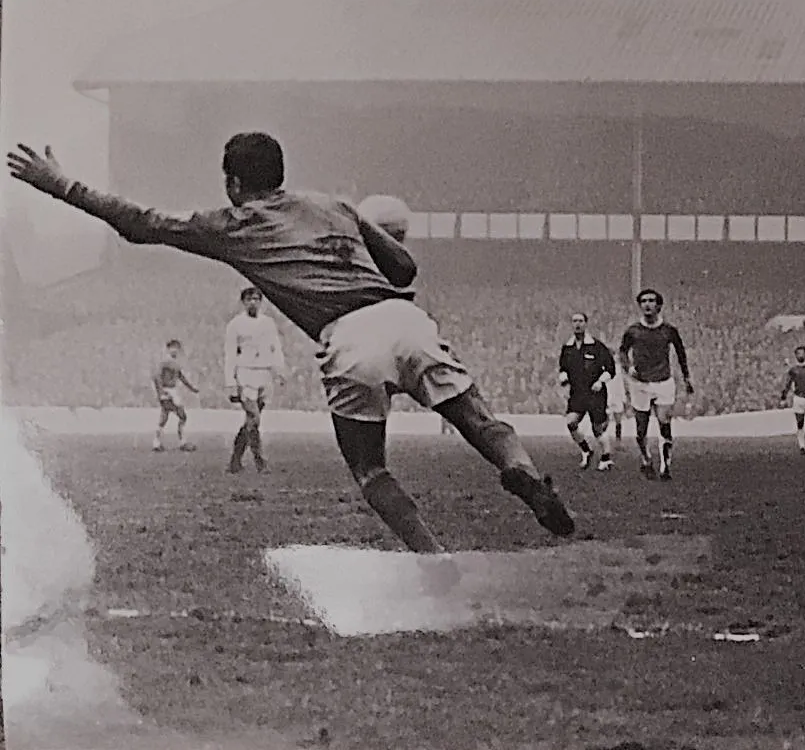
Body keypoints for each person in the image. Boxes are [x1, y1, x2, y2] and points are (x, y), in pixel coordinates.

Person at [7, 137, 576, 560]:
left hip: (347, 337)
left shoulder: (231, 223)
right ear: (281, 173)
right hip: (403, 316)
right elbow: (404, 268)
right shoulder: (335, 205)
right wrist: (362, 238)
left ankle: (435, 559)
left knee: (371, 469)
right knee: (479, 419)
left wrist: (61, 185)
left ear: (233, 182)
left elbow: (140, 224)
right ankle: (522, 474)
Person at [618, 288, 694, 480]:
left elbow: (681, 354)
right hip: (640, 384)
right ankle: (646, 459)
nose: (647, 304)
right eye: (644, 301)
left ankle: (665, 466)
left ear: (659, 305)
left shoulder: (669, 330)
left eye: (652, 300)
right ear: (640, 305)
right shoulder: (633, 331)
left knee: (664, 422)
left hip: (663, 382)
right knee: (641, 429)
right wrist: (629, 368)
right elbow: (622, 353)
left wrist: (687, 377)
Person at [223, 287, 285, 474]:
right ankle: (260, 461)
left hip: (264, 374)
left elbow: (276, 347)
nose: (253, 302)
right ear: (243, 302)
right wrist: (230, 382)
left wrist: (279, 371)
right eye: (249, 299)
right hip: (245, 373)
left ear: (261, 302)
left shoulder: (268, 323)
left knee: (251, 422)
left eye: (256, 299)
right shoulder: (235, 324)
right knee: (254, 417)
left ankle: (235, 460)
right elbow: (230, 354)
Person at [558, 312, 617, 471]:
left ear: (586, 323)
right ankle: (586, 450)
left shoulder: (596, 346)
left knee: (597, 428)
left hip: (595, 394)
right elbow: (563, 367)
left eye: (581, 321)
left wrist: (600, 381)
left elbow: (610, 369)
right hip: (577, 393)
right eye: (574, 321)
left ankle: (606, 458)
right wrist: (563, 377)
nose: (577, 324)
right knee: (571, 422)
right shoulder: (568, 347)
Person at [152, 340, 199, 453]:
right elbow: (157, 377)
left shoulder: (175, 363)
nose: (175, 350)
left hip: (173, 391)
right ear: (168, 349)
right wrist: (161, 392)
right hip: (168, 391)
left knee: (166, 416)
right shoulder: (165, 362)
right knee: (180, 416)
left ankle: (157, 443)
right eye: (172, 348)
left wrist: (192, 388)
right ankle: (181, 442)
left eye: (176, 348)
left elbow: (181, 377)